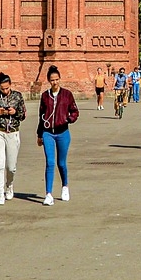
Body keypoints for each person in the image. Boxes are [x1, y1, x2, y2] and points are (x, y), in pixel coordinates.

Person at [39, 66, 79, 204]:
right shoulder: (45, 96)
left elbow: (75, 111)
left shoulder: (67, 94)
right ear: (48, 81)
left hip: (63, 132)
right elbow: (41, 115)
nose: (55, 82)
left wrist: (68, 119)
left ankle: (65, 186)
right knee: (50, 162)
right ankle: (48, 194)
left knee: (61, 163)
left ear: (60, 79)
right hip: (48, 133)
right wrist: (39, 134)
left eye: (56, 79)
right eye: (52, 80)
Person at [0, 73, 26, 204]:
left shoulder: (17, 96)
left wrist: (15, 112)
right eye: (2, 89)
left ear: (10, 86)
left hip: (13, 133)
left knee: (11, 167)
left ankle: (10, 185)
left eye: (7, 88)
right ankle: (0, 193)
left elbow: (23, 115)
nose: (5, 91)